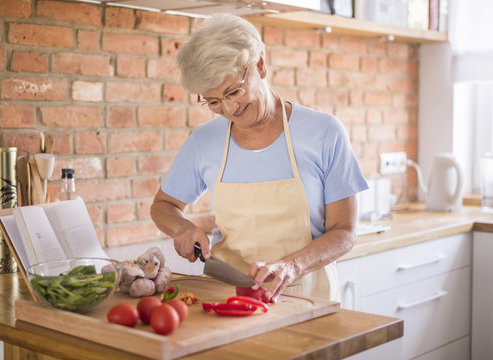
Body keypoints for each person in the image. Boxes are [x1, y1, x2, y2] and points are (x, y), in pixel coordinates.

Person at [150, 13, 368, 302]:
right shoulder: (204, 140)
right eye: (213, 102)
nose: (228, 108)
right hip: (227, 295)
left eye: (233, 91)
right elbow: (163, 205)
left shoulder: (324, 132)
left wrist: (291, 265)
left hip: (306, 296)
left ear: (260, 65)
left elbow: (344, 231)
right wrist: (183, 228)